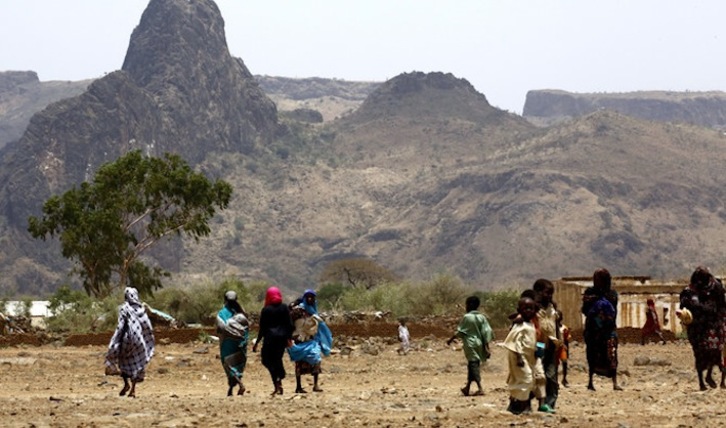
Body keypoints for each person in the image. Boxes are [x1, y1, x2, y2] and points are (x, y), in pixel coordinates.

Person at [679, 266, 726, 390]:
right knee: (699, 353)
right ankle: (701, 381)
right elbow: (683, 308)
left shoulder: (716, 286)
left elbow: (721, 305)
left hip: (713, 323)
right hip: (697, 326)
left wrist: (721, 318)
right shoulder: (689, 291)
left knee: (715, 350)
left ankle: (709, 375)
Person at [105, 287, 155, 398]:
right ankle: (133, 389)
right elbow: (147, 326)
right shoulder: (141, 309)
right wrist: (147, 339)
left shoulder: (125, 308)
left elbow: (121, 326)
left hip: (128, 341)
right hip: (140, 341)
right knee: (137, 365)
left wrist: (115, 340)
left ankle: (126, 384)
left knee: (123, 362)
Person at [581, 268, 622, 391]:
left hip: (608, 330)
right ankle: (590, 382)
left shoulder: (612, 294)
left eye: (598, 279)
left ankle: (614, 382)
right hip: (593, 330)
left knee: (612, 353)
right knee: (592, 354)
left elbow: (612, 309)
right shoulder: (589, 292)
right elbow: (584, 310)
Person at [446, 295, 493, 397]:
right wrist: (487, 347)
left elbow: (460, 332)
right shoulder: (482, 317)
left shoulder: (467, 317)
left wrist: (450, 339)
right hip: (479, 343)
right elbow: (486, 332)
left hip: (470, 344)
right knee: (473, 364)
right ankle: (467, 387)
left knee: (473, 365)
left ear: (470, 305)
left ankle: (480, 388)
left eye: (466, 304)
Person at [287, 289, 333, 393]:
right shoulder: (298, 311)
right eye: (308, 297)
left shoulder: (313, 310)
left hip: (311, 341)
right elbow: (290, 324)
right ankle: (298, 386)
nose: (310, 299)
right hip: (299, 340)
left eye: (312, 297)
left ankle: (315, 385)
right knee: (298, 363)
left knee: (316, 359)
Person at [252, 286, 294, 396]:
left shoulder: (266, 310)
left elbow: (262, 328)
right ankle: (279, 377)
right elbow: (289, 325)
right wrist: (289, 339)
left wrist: (257, 343)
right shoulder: (284, 308)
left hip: (270, 339)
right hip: (282, 340)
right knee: (277, 359)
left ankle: (277, 381)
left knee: (266, 360)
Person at [501, 296, 538, 414]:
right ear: (520, 310)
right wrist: (519, 357)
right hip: (519, 357)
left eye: (531, 308)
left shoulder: (530, 324)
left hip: (529, 357)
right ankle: (525, 407)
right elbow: (514, 341)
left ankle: (514, 405)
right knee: (526, 379)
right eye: (525, 308)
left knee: (526, 380)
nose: (528, 311)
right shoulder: (520, 325)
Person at [532, 279, 559, 412]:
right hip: (539, 345)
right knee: (537, 375)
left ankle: (550, 403)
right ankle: (526, 401)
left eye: (551, 293)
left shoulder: (552, 307)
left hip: (552, 344)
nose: (549, 296)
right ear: (537, 292)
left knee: (552, 375)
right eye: (546, 293)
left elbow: (556, 325)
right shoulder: (532, 308)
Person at [216, 290, 249, 396]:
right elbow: (246, 327)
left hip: (227, 343)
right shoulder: (241, 313)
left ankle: (240, 385)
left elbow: (220, 328)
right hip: (239, 343)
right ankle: (230, 389)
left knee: (228, 364)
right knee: (238, 364)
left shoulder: (221, 313)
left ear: (225, 300)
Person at [556, 310, 572, 387]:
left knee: (564, 362)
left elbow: (566, 339)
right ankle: (555, 381)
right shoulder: (551, 328)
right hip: (554, 348)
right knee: (555, 364)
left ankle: (564, 379)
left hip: (562, 347)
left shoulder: (564, 328)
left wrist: (567, 349)